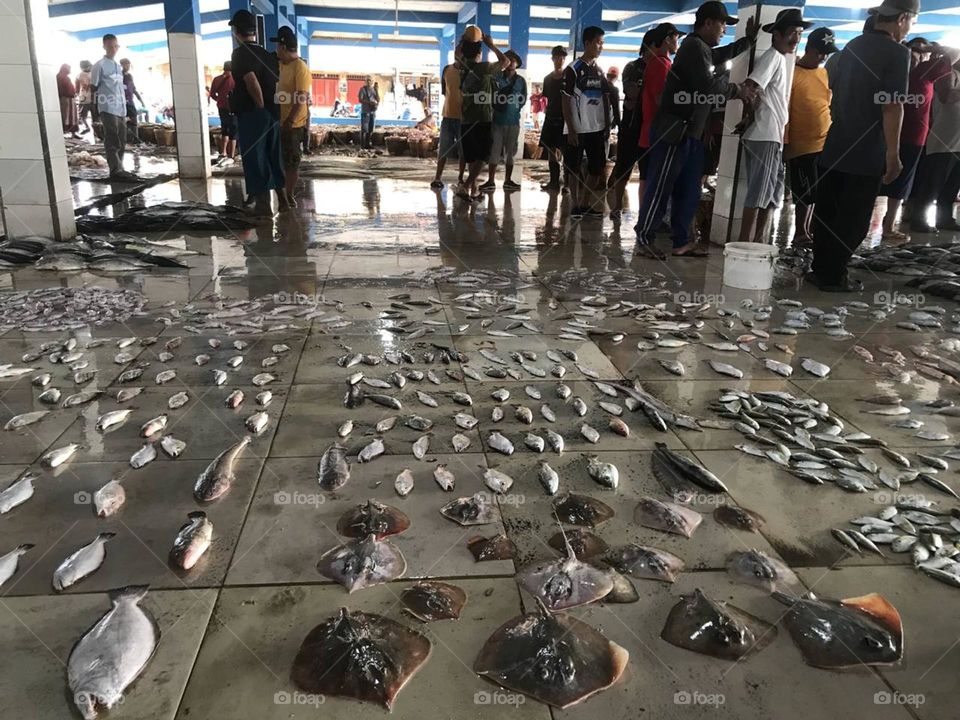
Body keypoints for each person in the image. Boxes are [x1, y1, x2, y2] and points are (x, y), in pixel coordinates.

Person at [633, 1, 758, 258]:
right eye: (723, 24)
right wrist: (738, 91)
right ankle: (645, 238)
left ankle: (682, 241)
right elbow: (708, 86)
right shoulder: (692, 47)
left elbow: (721, 55)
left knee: (689, 190)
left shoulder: (700, 49)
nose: (724, 29)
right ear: (708, 22)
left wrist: (747, 42)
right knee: (661, 187)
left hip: (691, 134)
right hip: (673, 133)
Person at [810, 0, 915, 292]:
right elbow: (893, 107)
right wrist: (893, 154)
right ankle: (833, 277)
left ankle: (820, 269)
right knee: (853, 217)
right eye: (911, 23)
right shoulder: (897, 53)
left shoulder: (852, 46)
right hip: (865, 151)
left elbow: (835, 91)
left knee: (828, 212)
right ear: (903, 18)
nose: (909, 29)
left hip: (835, 144)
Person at [736, 9, 811, 244]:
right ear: (776, 35)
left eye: (799, 33)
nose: (796, 39)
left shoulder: (781, 59)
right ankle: (745, 244)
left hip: (772, 134)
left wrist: (748, 118)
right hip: (765, 134)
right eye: (791, 33)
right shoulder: (772, 57)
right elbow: (751, 86)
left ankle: (759, 242)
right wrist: (750, 116)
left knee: (772, 193)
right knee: (759, 194)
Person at [882, 38, 958, 237]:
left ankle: (889, 224)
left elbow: (955, 52)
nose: (914, 56)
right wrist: (927, 49)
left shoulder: (923, 72)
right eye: (911, 51)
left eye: (918, 53)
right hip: (888, 133)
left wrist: (930, 49)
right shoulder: (893, 72)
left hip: (915, 136)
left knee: (903, 183)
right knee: (879, 179)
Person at [784, 27, 838, 246]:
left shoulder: (824, 73)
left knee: (817, 191)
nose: (823, 57)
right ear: (810, 49)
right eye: (820, 53)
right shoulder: (793, 73)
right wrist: (785, 144)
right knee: (804, 192)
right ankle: (799, 233)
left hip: (824, 142)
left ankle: (809, 230)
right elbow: (785, 109)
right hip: (800, 145)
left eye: (826, 54)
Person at [229, 9, 284, 216]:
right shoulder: (268, 55)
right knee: (273, 156)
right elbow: (277, 86)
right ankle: (283, 202)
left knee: (255, 158)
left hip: (254, 113)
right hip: (273, 113)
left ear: (236, 31)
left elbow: (251, 81)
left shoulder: (240, 53)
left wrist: (260, 107)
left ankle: (263, 207)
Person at [563, 26, 614, 218]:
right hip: (577, 128)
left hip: (596, 128)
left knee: (597, 167)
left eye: (602, 43)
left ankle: (585, 203)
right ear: (587, 43)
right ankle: (575, 205)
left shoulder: (599, 71)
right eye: (598, 43)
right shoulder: (573, 69)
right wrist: (572, 129)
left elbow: (605, 98)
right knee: (574, 168)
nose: (601, 47)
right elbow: (565, 100)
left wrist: (607, 124)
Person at [636, 24, 685, 218]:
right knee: (652, 181)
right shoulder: (662, 64)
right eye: (676, 39)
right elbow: (661, 99)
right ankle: (648, 219)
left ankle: (646, 217)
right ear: (667, 39)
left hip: (649, 133)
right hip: (657, 135)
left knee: (647, 179)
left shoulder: (656, 63)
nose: (677, 43)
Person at [608, 28, 657, 219]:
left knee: (646, 173)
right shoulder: (632, 67)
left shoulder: (660, 67)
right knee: (623, 168)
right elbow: (632, 92)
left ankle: (644, 212)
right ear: (651, 46)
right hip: (630, 127)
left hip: (649, 128)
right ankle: (617, 206)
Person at [456, 32, 509, 201]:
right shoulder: (484, 68)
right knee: (483, 156)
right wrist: (490, 44)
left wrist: (464, 40)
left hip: (466, 119)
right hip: (482, 119)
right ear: (479, 53)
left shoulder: (462, 65)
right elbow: (505, 62)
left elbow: (457, 52)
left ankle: (473, 190)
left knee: (471, 155)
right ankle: (466, 186)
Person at [911, 62, 960, 232]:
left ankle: (944, 218)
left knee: (952, 185)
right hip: (943, 139)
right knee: (932, 184)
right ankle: (919, 220)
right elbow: (946, 96)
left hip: (958, 141)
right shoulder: (948, 73)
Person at [274, 25, 312, 209]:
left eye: (277, 47)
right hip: (278, 123)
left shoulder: (300, 67)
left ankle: (288, 195)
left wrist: (289, 121)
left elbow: (301, 97)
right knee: (279, 161)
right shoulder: (282, 65)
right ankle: (282, 195)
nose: (275, 51)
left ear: (282, 47)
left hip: (293, 125)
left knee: (291, 163)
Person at [91, 34, 135, 180]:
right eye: (110, 46)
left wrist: (126, 108)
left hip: (120, 108)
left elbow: (120, 88)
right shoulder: (99, 65)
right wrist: (95, 112)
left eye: (116, 46)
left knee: (122, 139)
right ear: (104, 46)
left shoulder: (117, 66)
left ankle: (120, 167)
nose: (113, 49)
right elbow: (93, 87)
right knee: (112, 139)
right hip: (107, 107)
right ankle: (115, 170)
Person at [482, 49, 526, 192]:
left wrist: (514, 107)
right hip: (498, 120)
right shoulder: (496, 77)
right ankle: (490, 180)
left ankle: (508, 180)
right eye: (509, 59)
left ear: (517, 63)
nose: (511, 62)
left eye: (514, 60)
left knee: (510, 153)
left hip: (513, 121)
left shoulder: (521, 81)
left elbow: (523, 98)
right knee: (494, 150)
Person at [432, 47, 467, 189]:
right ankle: (437, 177)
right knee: (443, 148)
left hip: (464, 118)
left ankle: (460, 178)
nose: (459, 55)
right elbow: (445, 92)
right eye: (457, 52)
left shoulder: (469, 72)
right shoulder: (447, 70)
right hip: (447, 116)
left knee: (463, 150)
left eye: (462, 53)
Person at [539, 45, 568, 192]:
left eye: (563, 57)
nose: (560, 60)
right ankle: (554, 182)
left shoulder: (569, 77)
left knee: (565, 151)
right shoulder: (547, 79)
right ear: (552, 59)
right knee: (551, 151)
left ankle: (567, 184)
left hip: (565, 119)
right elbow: (547, 98)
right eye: (557, 57)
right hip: (551, 117)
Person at [209, 61, 237, 160]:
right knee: (234, 131)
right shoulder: (235, 79)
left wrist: (219, 100)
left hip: (221, 108)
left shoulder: (217, 79)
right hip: (233, 108)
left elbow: (212, 94)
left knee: (224, 129)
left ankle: (224, 152)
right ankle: (232, 155)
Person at [119, 58, 144, 143]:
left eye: (128, 64)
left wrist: (140, 100)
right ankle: (128, 139)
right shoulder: (119, 75)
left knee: (133, 119)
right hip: (122, 101)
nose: (127, 66)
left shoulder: (129, 76)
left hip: (130, 101)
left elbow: (133, 88)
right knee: (124, 121)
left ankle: (134, 139)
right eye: (125, 64)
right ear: (121, 65)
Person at [57, 64, 80, 138]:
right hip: (65, 99)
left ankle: (73, 132)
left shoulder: (64, 77)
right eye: (69, 69)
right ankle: (65, 131)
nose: (70, 71)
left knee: (72, 116)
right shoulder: (61, 77)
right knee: (66, 115)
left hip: (70, 99)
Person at [358, 76, 379, 149]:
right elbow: (360, 100)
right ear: (365, 81)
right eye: (367, 80)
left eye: (370, 80)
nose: (369, 82)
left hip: (372, 112)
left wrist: (377, 90)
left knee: (370, 129)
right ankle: (362, 145)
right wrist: (369, 102)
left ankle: (367, 144)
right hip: (365, 112)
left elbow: (378, 99)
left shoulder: (374, 89)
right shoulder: (362, 89)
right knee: (364, 129)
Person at [76, 60, 94, 134]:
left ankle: (87, 127)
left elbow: (76, 88)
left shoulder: (79, 75)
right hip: (92, 98)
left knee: (83, 116)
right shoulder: (93, 74)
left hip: (84, 98)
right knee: (94, 117)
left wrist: (77, 95)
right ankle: (96, 133)